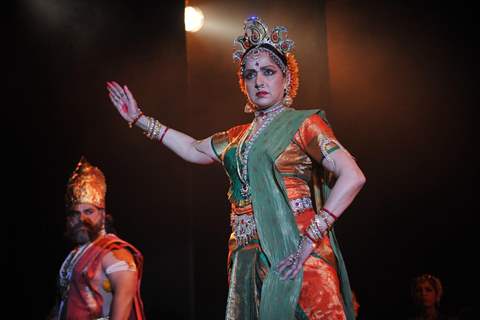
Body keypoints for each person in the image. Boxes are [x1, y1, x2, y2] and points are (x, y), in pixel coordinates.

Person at [107, 16, 365, 320]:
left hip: (294, 253)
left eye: (268, 72)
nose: (259, 81)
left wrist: (310, 239)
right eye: (250, 74)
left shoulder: (304, 124)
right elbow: (193, 149)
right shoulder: (235, 137)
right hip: (245, 257)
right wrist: (139, 119)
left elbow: (353, 176)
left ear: (287, 80)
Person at [48, 157, 145, 320]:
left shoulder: (114, 253)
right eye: (75, 214)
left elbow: (125, 299)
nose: (81, 219)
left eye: (88, 212)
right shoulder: (75, 254)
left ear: (102, 214)